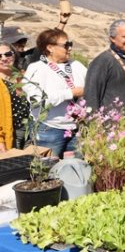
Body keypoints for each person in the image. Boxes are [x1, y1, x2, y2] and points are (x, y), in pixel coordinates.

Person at [22, 29, 87, 157]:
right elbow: (37, 101)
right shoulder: (36, 69)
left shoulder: (77, 65)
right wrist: (71, 92)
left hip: (76, 129)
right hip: (49, 129)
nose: (70, 48)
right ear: (50, 48)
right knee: (47, 172)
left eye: (70, 44)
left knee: (76, 170)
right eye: (66, 45)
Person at [84, 19, 125, 116]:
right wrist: (93, 124)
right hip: (115, 126)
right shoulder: (103, 61)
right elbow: (92, 95)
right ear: (112, 38)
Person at [0, 41, 30, 151]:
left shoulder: (24, 76)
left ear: (14, 54)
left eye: (7, 54)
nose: (4, 58)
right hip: (10, 131)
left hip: (30, 130)